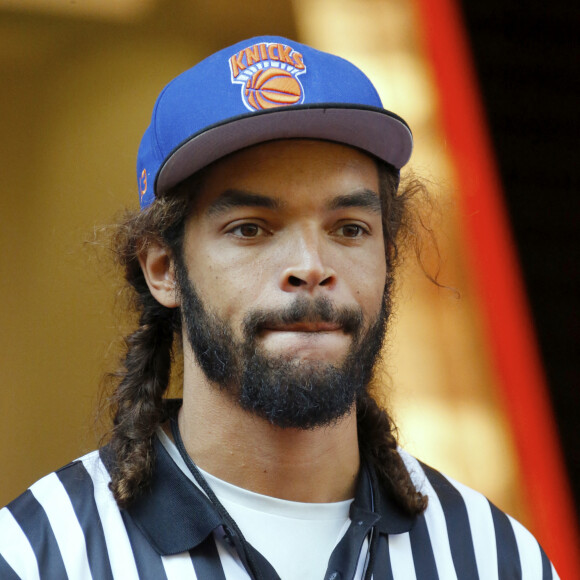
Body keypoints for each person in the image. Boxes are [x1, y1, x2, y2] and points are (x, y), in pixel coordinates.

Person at [0, 35, 558, 579]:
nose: (311, 265)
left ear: (387, 256)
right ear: (163, 269)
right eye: (251, 228)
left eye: (349, 228)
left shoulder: (498, 557)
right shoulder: (36, 555)